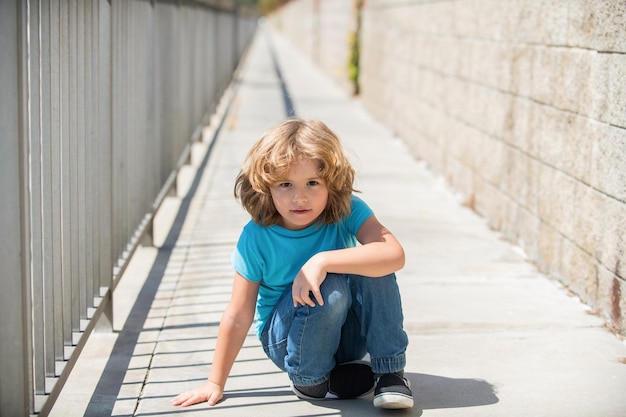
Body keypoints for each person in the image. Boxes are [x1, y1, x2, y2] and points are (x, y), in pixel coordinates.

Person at [171, 118, 413, 409]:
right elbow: (238, 313)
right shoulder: (257, 236)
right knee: (332, 284)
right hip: (286, 340)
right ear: (266, 187)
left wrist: (322, 260)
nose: (300, 197)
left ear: (331, 183)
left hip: (343, 332)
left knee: (374, 263)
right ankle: (309, 379)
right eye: (286, 184)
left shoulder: (345, 210)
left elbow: (394, 254)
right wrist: (215, 382)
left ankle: (389, 374)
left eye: (313, 183)